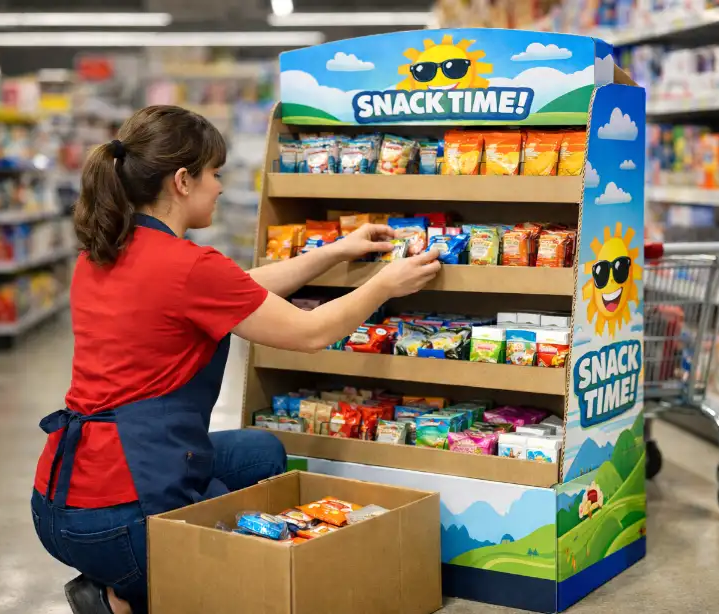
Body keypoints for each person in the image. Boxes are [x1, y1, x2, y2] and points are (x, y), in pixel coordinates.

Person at [30, 105, 441, 614]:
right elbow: (310, 333)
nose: (221, 187)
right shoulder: (188, 266)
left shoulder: (102, 253)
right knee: (240, 533)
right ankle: (129, 593)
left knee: (259, 454)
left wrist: (334, 252)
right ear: (183, 181)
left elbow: (238, 290)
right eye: (214, 173)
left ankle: (108, 582)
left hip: (57, 507)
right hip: (120, 520)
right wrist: (384, 285)